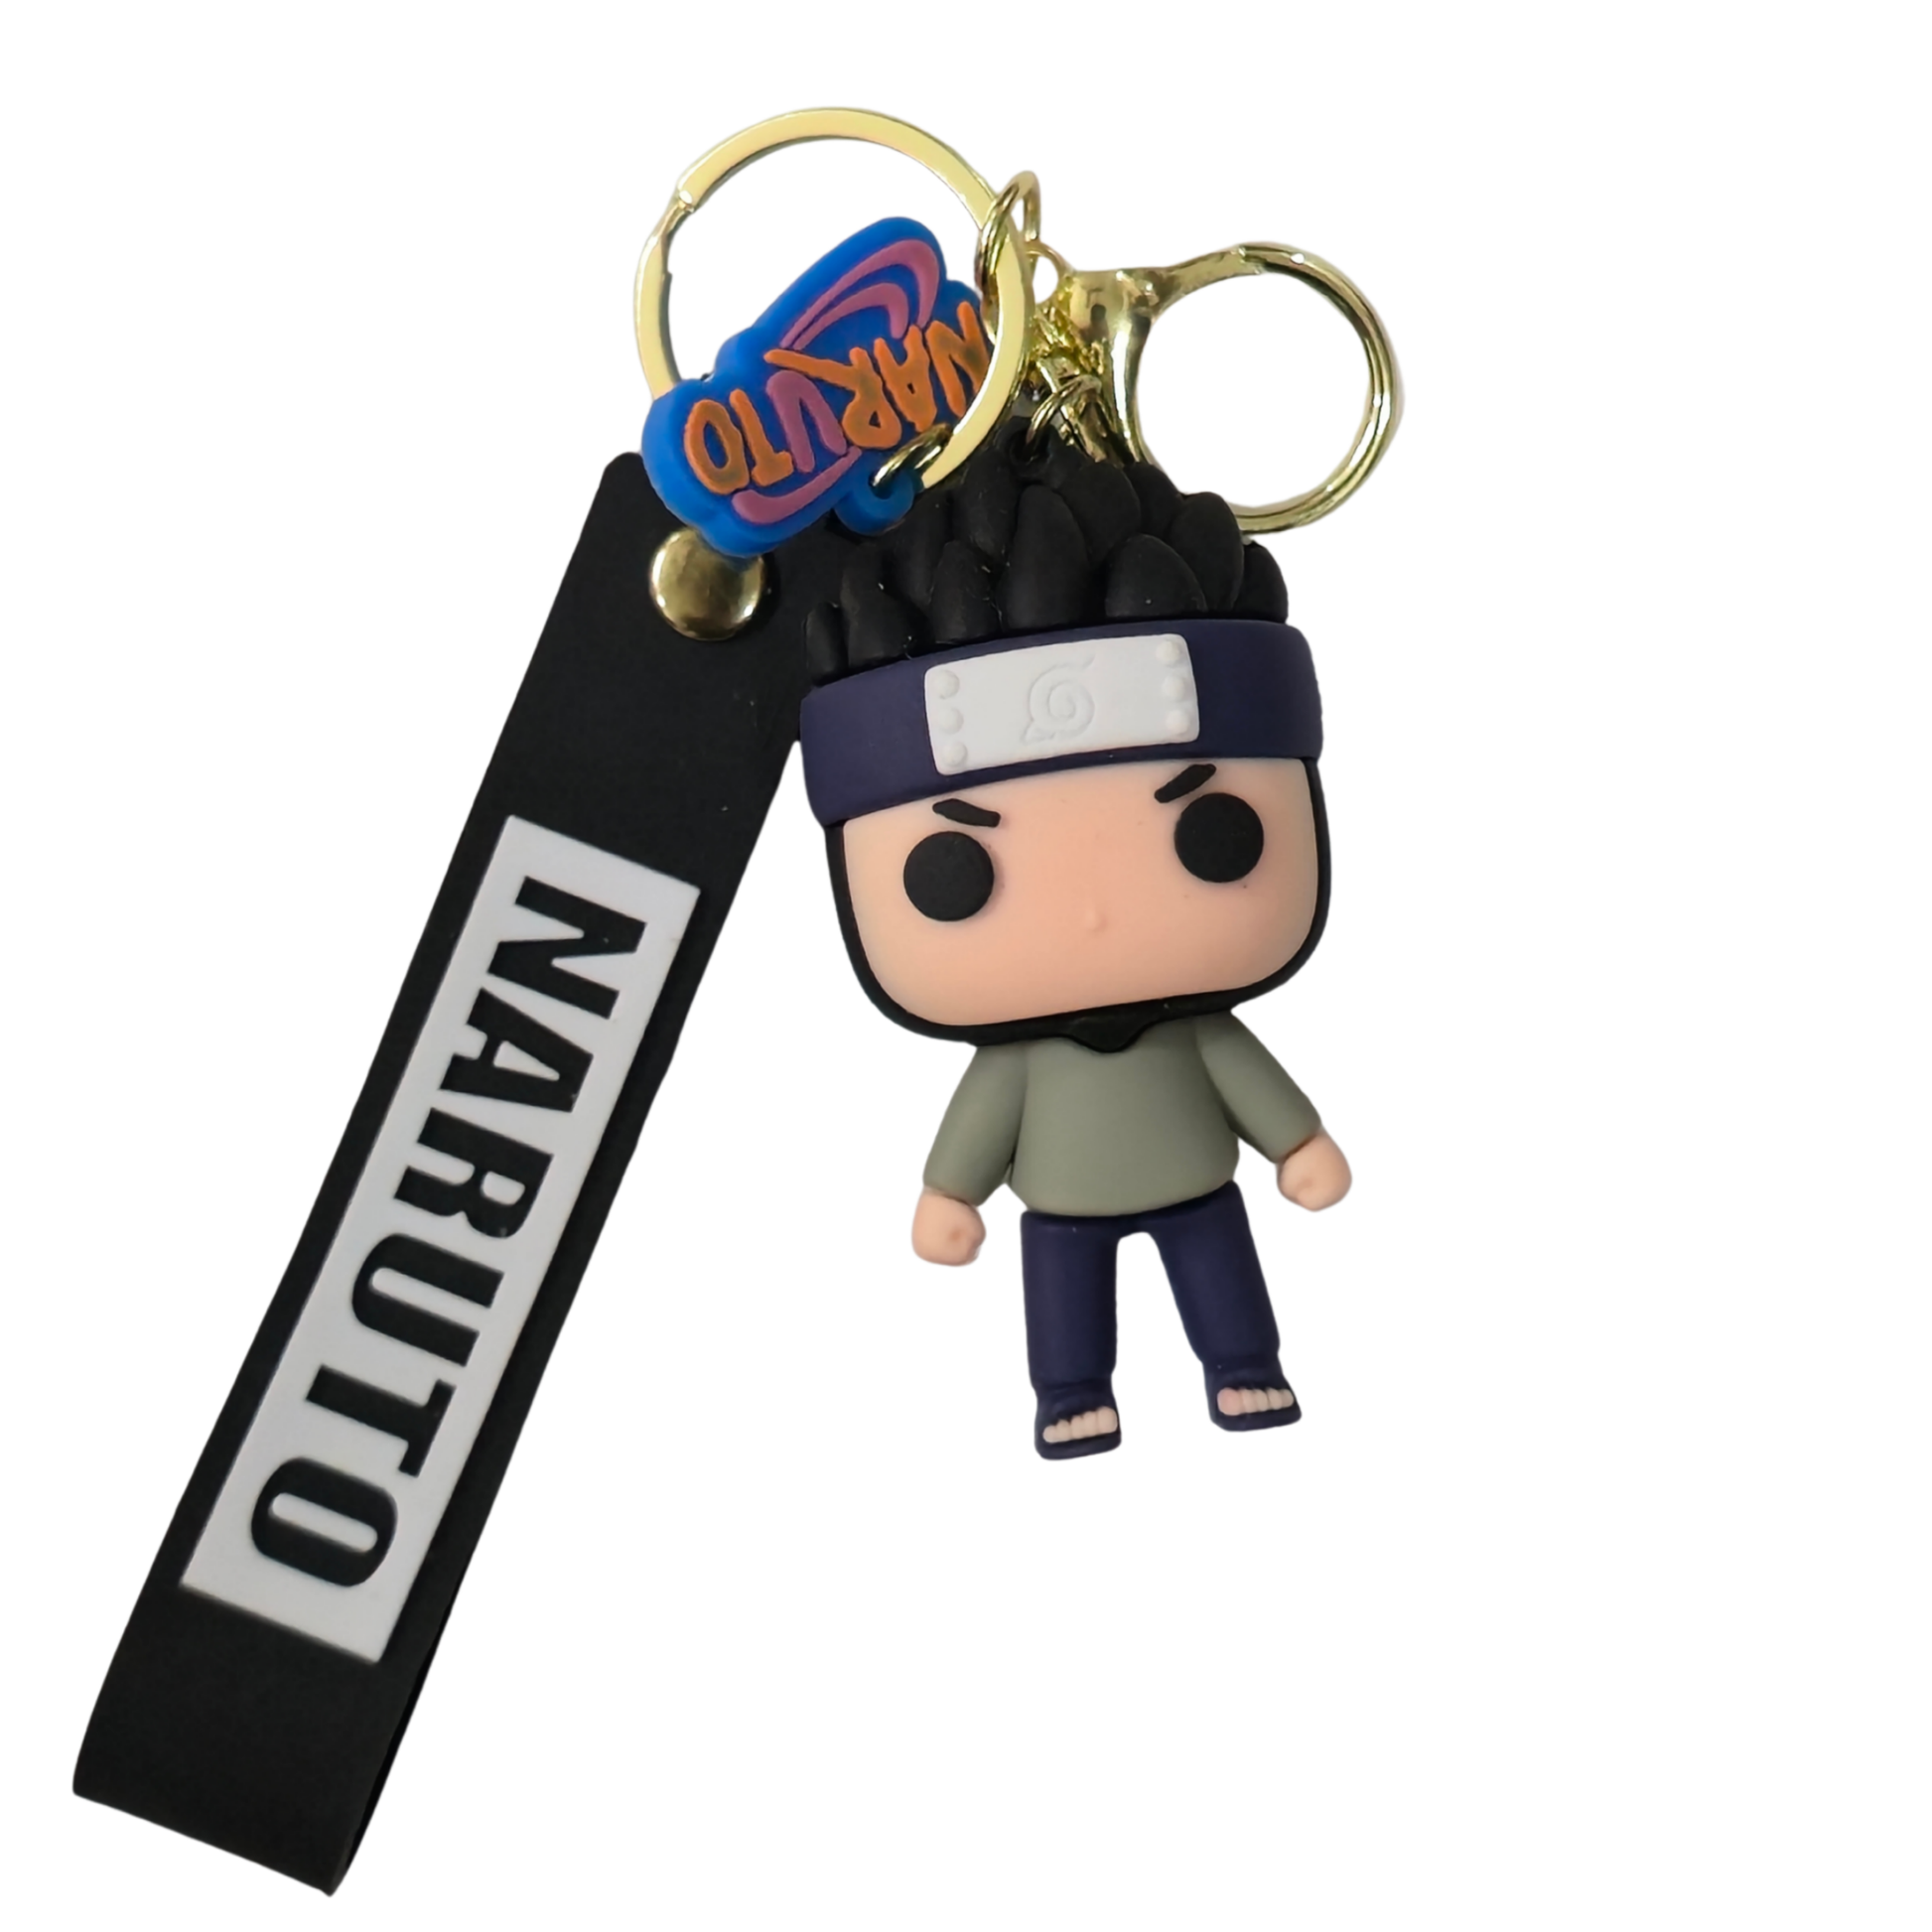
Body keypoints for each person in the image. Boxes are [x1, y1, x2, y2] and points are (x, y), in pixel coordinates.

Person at [797, 424, 1350, 1458]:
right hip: (1059, 1201)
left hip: (1196, 1179)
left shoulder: (1194, 1030)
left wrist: (1298, 1143)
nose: (1092, 915)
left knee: (1218, 1265)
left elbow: (1250, 1081)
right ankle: (1070, 1388)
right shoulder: (1022, 1060)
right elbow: (980, 1123)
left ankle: (1243, 1362)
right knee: (1063, 1287)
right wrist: (949, 1191)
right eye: (954, 874)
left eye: (1211, 835)